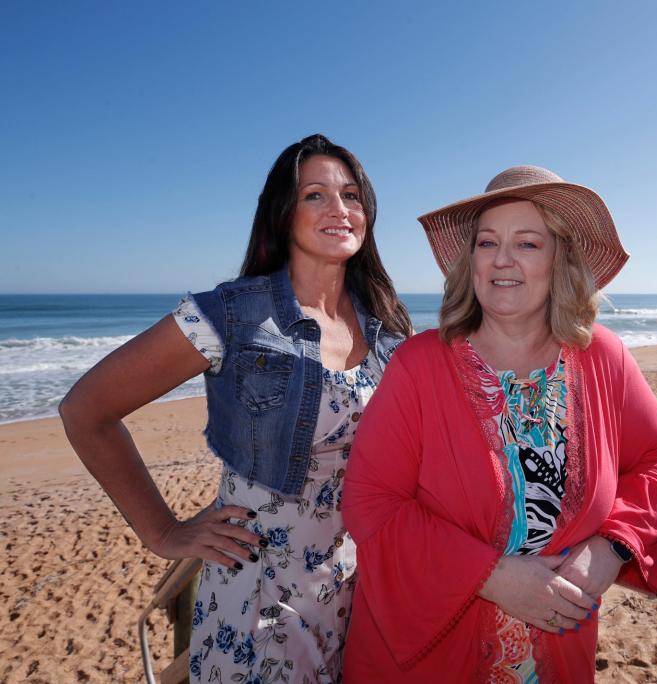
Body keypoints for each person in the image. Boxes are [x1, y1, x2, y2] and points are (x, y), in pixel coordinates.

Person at [59, 134, 412, 684]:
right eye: (314, 195)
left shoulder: (387, 326)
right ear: (283, 213)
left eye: (351, 195)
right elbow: (86, 410)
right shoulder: (231, 314)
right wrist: (163, 531)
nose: (339, 210)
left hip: (356, 586)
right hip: (260, 597)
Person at [341, 165, 657, 682]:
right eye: (487, 242)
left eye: (527, 243)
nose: (502, 260)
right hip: (427, 660)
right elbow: (370, 502)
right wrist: (491, 577)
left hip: (556, 657)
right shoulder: (418, 365)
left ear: (559, 259)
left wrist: (611, 548)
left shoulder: (603, 358)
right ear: (470, 260)